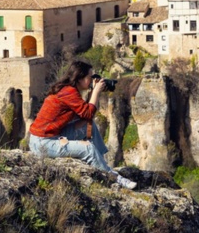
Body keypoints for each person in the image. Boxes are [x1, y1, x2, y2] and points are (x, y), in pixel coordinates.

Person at [29, 60, 137, 189]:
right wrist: (96, 92)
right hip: (43, 143)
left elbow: (84, 114)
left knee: (88, 125)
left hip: (49, 135)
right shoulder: (69, 92)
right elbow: (88, 113)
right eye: (89, 77)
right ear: (79, 78)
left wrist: (93, 93)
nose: (92, 80)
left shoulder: (67, 89)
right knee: (88, 148)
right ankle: (112, 176)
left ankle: (101, 162)